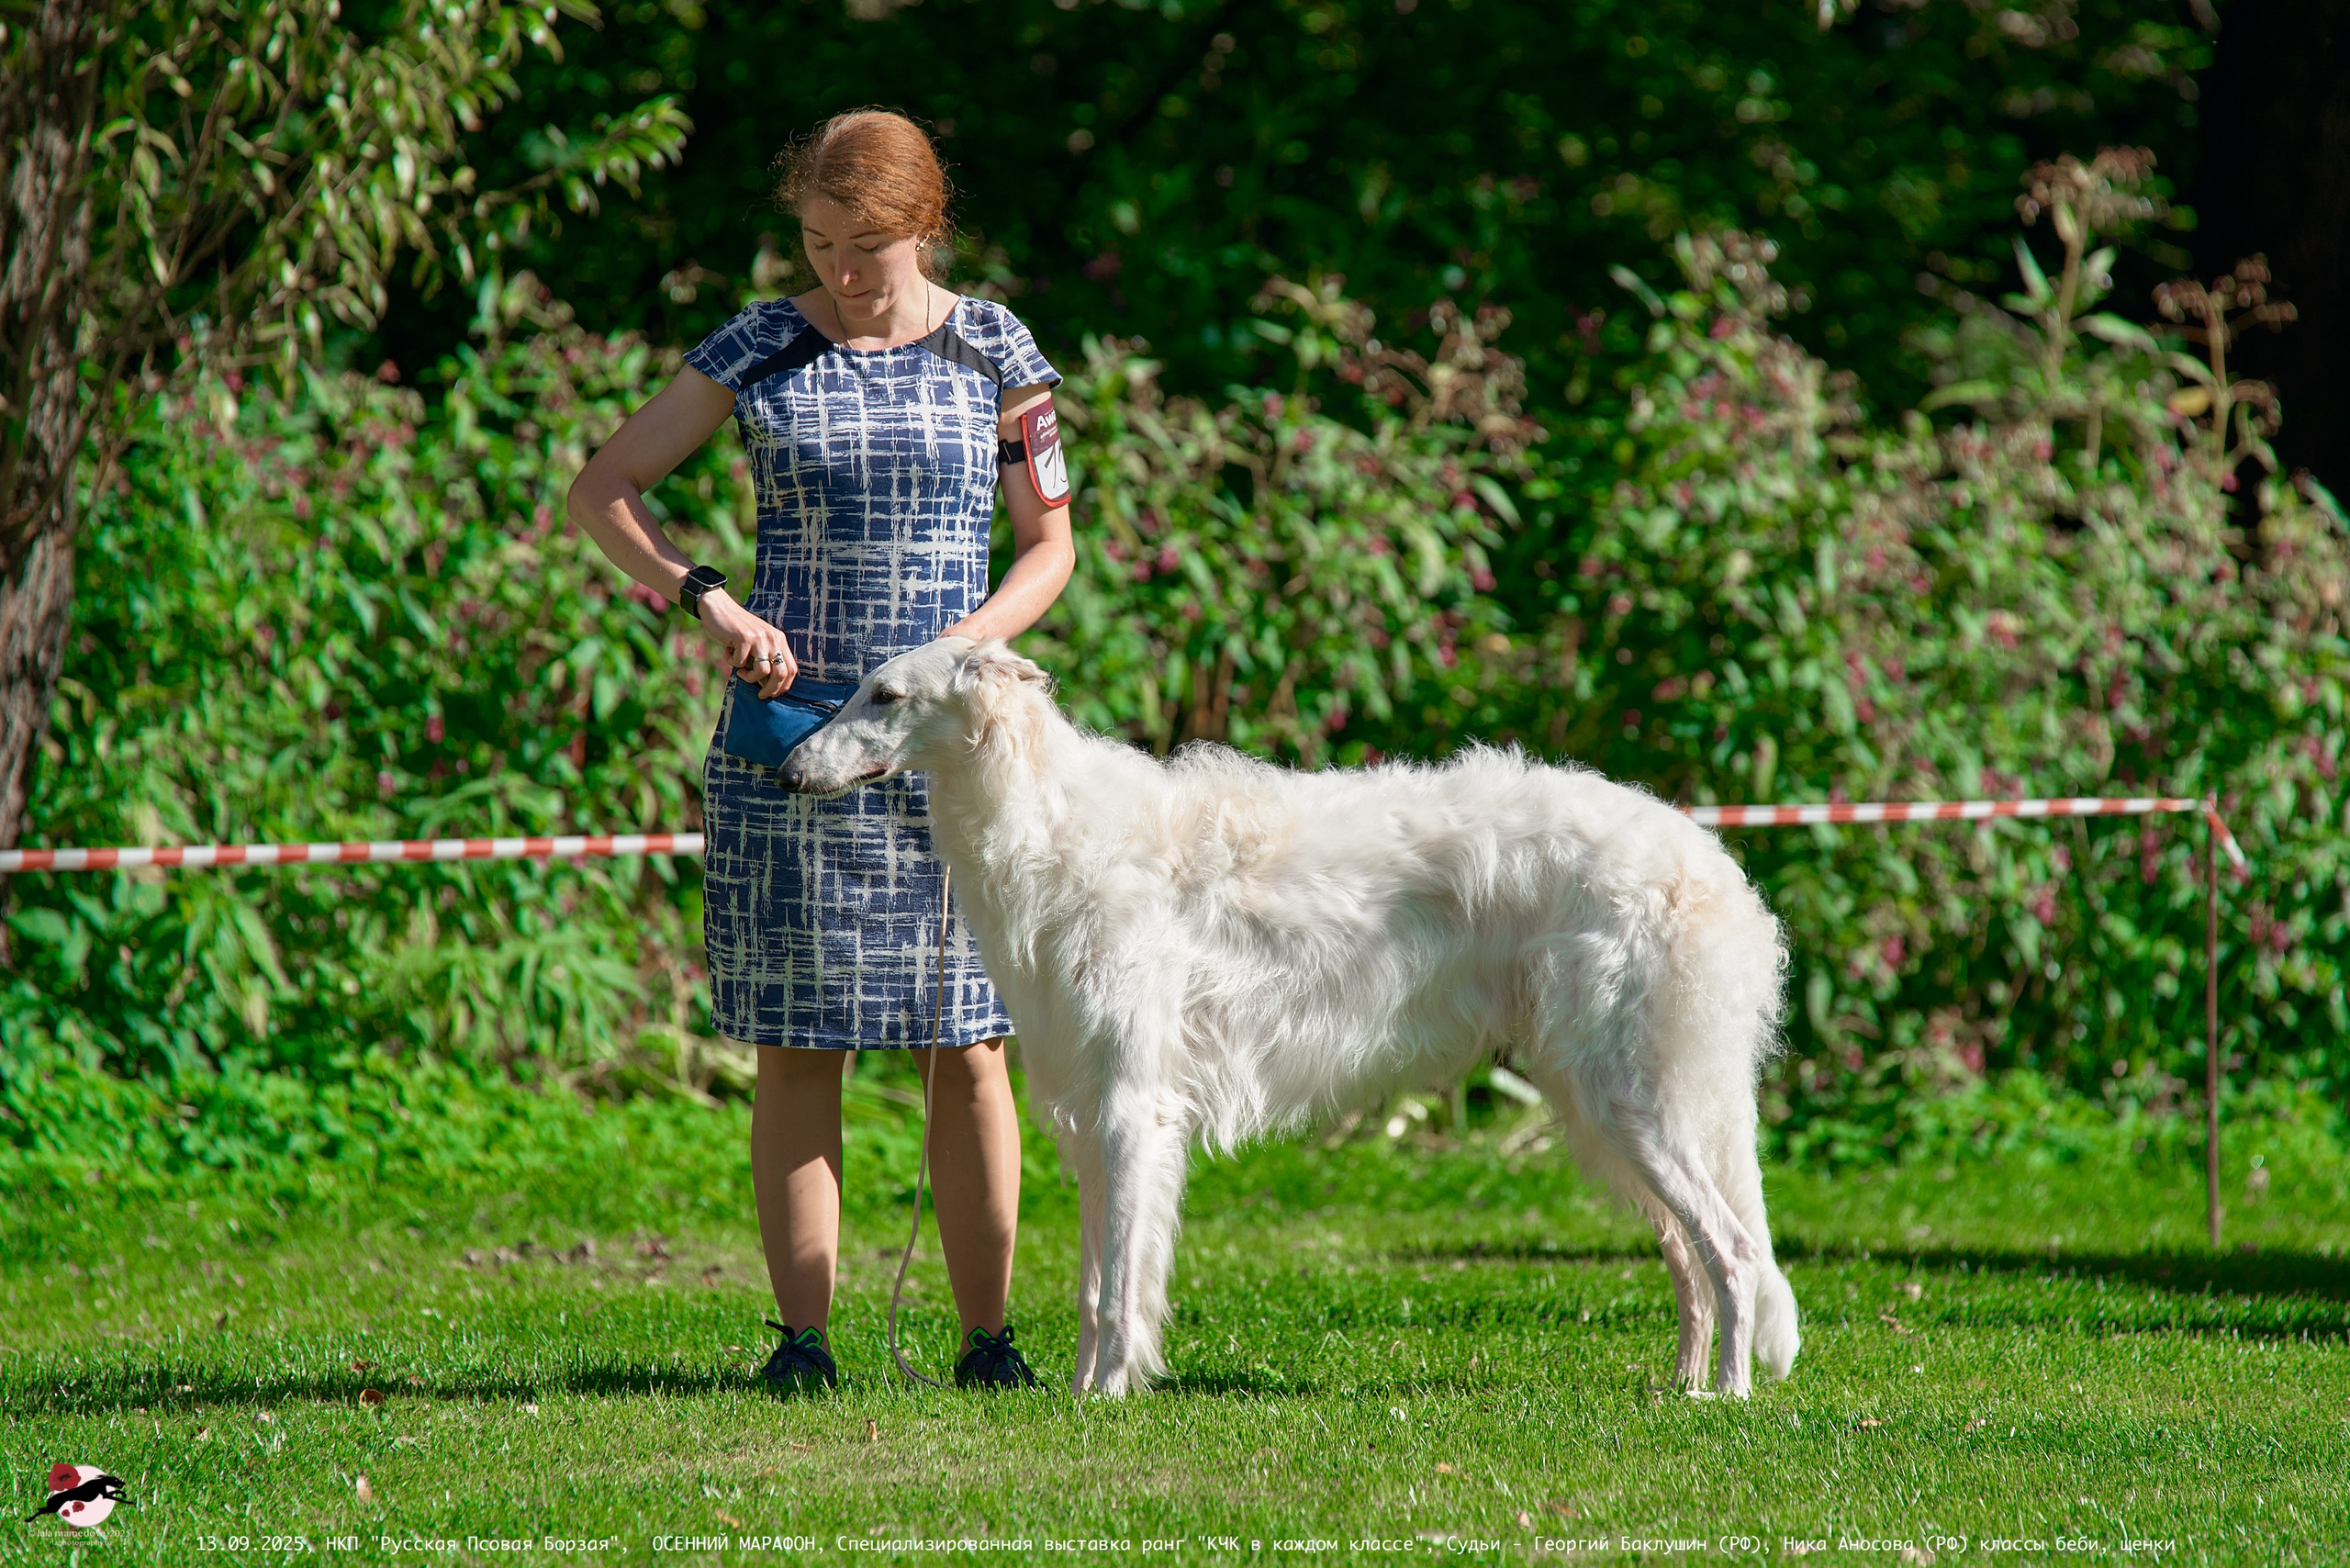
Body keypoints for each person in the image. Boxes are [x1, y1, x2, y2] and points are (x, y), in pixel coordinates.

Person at [566, 109, 1074, 1393]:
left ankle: (989, 1343)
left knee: (970, 1040)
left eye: (873, 247)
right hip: (790, 743)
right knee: (800, 1041)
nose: (845, 272)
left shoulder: (996, 345)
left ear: (928, 226)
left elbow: (1049, 548)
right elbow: (602, 487)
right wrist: (710, 601)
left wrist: (966, 644)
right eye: (820, 241)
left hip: (959, 748)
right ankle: (801, 1345)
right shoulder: (761, 340)